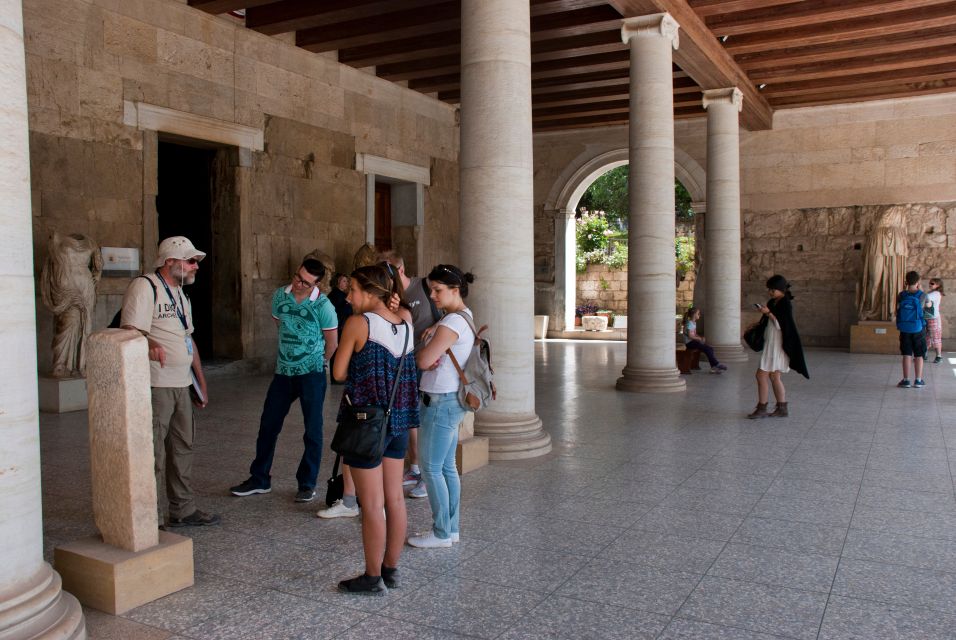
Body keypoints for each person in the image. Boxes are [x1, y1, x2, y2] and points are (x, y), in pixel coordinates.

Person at [120, 236, 220, 528]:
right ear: (170, 262)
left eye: (195, 262)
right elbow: (129, 331)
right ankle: (147, 517)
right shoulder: (145, 287)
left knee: (182, 448)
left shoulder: (180, 294)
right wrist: (149, 342)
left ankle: (183, 509)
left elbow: (188, 340)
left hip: (180, 383)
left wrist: (200, 380)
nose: (195, 267)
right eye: (190, 261)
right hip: (156, 384)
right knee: (153, 451)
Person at [334, 265, 419, 595]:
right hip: (398, 423)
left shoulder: (359, 323)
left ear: (371, 293)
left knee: (371, 505)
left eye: (352, 289)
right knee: (395, 498)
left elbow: (339, 372)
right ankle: (390, 569)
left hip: (366, 424)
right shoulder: (407, 324)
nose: (348, 296)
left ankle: (371, 577)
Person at [230, 259, 338, 503]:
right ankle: (260, 478)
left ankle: (307, 483)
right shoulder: (280, 295)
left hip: (311, 374)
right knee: (268, 424)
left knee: (312, 430)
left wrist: (319, 363)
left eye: (305, 282)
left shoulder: (324, 306)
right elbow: (280, 324)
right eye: (297, 277)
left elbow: (332, 343)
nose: (298, 284)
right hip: (283, 373)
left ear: (316, 284)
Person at [407, 264, 475, 549]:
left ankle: (441, 532)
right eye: (431, 289)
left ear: (454, 290)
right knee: (446, 467)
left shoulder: (451, 323)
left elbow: (423, 361)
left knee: (431, 468)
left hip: (440, 401)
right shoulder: (462, 316)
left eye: (437, 290)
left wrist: (426, 346)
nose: (432, 295)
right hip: (448, 399)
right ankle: (451, 528)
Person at [379, 251, 442, 500]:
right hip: (406, 363)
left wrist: (436, 327)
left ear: (399, 271)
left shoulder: (425, 286)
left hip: (431, 362)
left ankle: (427, 475)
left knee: (426, 419)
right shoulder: (393, 297)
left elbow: (453, 309)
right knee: (410, 417)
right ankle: (415, 468)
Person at [748, 275, 808, 419]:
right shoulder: (773, 301)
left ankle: (762, 407)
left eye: (773, 289)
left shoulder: (785, 303)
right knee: (775, 376)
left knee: (761, 375)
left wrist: (768, 313)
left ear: (781, 289)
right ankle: (782, 408)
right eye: (769, 289)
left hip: (777, 344)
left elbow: (782, 325)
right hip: (771, 341)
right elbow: (768, 321)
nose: (770, 292)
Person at [895, 270, 927, 389]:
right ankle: (918, 380)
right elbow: (929, 311)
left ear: (906, 282)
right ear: (918, 282)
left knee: (906, 353)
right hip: (918, 327)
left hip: (905, 328)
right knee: (919, 354)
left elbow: (897, 310)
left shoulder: (901, 295)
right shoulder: (922, 295)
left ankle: (906, 380)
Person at [681, 307, 727, 374]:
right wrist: (699, 339)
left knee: (710, 348)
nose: (699, 315)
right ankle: (716, 365)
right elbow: (690, 336)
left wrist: (700, 337)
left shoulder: (693, 323)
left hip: (693, 342)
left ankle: (713, 367)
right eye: (698, 314)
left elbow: (694, 334)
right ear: (694, 315)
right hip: (690, 343)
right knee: (707, 349)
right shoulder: (690, 323)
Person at [925, 277, 945, 364]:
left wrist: (919, 290)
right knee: (926, 337)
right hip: (928, 317)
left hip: (933, 318)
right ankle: (924, 355)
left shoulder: (936, 293)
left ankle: (939, 356)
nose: (930, 284)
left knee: (935, 337)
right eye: (930, 283)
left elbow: (925, 298)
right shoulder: (933, 293)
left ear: (938, 285)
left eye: (932, 283)